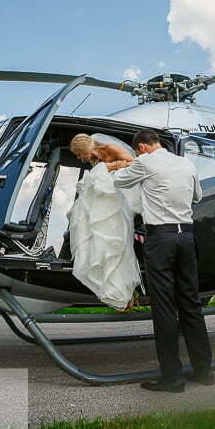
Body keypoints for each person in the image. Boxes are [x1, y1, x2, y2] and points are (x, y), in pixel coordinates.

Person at [112, 130, 214, 392]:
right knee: (191, 304)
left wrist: (122, 164)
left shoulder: (144, 162)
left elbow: (118, 182)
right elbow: (197, 197)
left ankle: (173, 378)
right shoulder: (186, 163)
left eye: (137, 152)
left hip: (161, 239)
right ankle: (204, 372)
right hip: (187, 238)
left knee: (165, 308)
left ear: (143, 147)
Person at [66, 133, 142, 310]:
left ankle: (124, 291)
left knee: (116, 244)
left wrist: (114, 166)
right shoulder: (94, 161)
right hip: (104, 199)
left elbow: (135, 164)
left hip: (118, 197)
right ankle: (110, 285)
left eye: (79, 154)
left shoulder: (110, 149)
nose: (79, 158)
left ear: (86, 149)